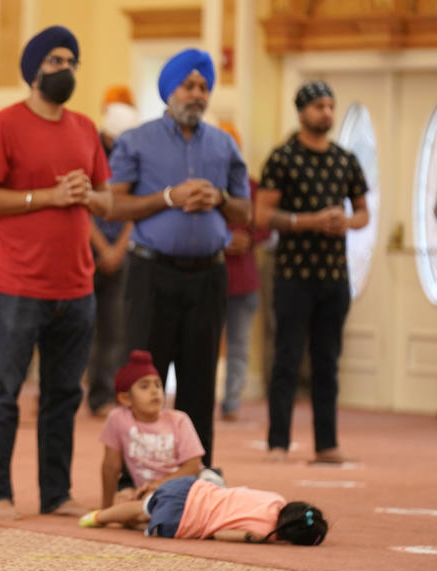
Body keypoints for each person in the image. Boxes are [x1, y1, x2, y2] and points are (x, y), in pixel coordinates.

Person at [0, 26, 112, 520]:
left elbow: (107, 200)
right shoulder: (4, 125)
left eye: (71, 60)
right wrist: (46, 197)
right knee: (5, 393)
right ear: (33, 71)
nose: (65, 69)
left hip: (76, 285)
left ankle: (56, 493)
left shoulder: (85, 129)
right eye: (54, 61)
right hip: (18, 285)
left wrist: (87, 194)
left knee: (65, 395)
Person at [109, 48, 251, 467]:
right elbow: (113, 206)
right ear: (169, 90)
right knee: (143, 376)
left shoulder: (225, 143)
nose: (197, 94)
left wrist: (220, 197)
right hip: (152, 273)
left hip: (208, 277)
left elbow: (245, 211)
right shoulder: (136, 140)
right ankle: (132, 475)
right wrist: (168, 197)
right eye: (188, 86)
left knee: (200, 378)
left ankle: (196, 472)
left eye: (204, 87)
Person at [256, 81, 369, 464]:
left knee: (327, 361)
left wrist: (346, 223)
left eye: (331, 106)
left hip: (333, 276)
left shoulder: (345, 159)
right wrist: (310, 221)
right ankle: (278, 442)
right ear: (302, 111)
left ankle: (326, 443)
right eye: (319, 106)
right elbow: (262, 215)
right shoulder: (282, 158)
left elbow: (363, 212)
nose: (327, 113)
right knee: (286, 359)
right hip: (292, 275)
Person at [79, 476, 328, 548]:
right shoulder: (266, 533)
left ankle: (100, 516)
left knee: (144, 508)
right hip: (183, 521)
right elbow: (223, 535)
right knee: (149, 521)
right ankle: (119, 522)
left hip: (191, 489)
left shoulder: (276, 499)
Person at [98, 350, 206, 510]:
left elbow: (192, 468)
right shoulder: (118, 419)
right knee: (130, 506)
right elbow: (110, 466)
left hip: (188, 485)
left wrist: (157, 485)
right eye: (144, 386)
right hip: (151, 494)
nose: (154, 391)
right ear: (125, 398)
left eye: (158, 384)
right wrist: (106, 506)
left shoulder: (179, 420)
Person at [87, 85, 136, 415]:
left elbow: (136, 207)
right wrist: (102, 247)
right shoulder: (89, 154)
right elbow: (82, 206)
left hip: (122, 252)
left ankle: (104, 396)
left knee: (114, 329)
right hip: (87, 250)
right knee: (80, 326)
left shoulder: (137, 157)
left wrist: (118, 248)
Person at [217, 123, 269, 420]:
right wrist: (224, 240)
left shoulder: (253, 188)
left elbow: (265, 225)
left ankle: (232, 402)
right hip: (210, 279)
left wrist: (249, 238)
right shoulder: (204, 189)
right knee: (205, 345)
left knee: (239, 345)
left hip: (244, 280)